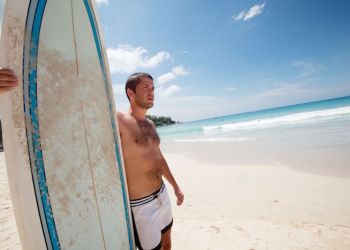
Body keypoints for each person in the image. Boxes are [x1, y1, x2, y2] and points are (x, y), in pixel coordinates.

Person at [117, 72, 184, 250]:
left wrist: (175, 186)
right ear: (130, 93)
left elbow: (159, 158)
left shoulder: (151, 124)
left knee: (167, 243)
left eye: (153, 88)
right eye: (145, 87)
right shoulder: (119, 120)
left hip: (162, 195)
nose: (151, 92)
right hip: (142, 205)